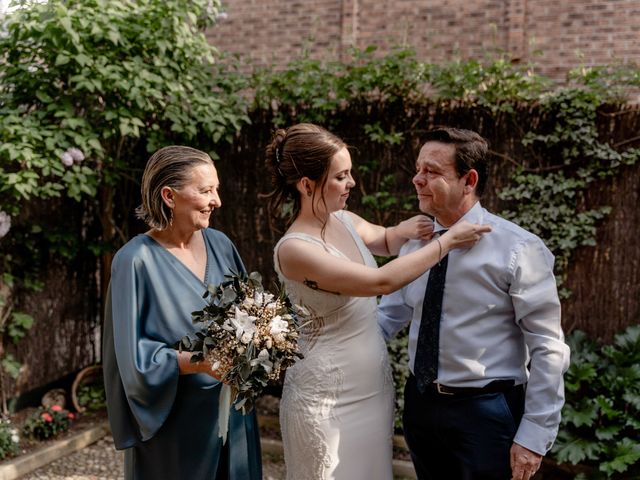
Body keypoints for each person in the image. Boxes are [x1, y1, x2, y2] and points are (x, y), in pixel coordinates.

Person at [266, 123, 491, 480]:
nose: (352, 183)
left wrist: (406, 230)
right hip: (326, 397)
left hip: (371, 389)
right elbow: (380, 282)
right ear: (307, 185)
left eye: (350, 173)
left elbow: (384, 241)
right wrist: (446, 243)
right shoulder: (295, 250)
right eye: (341, 176)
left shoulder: (344, 219)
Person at [377, 127, 571, 480]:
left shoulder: (518, 249)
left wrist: (534, 435)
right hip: (420, 407)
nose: (416, 179)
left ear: (469, 180)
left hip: (486, 414)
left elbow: (547, 346)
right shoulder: (415, 245)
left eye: (431, 171)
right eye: (418, 168)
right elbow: (386, 318)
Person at [102, 146, 262, 480]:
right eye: (205, 191)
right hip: (175, 427)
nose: (216, 200)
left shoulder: (221, 244)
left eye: (215, 189)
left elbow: (252, 313)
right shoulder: (134, 262)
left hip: (234, 415)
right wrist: (200, 363)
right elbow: (130, 361)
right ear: (169, 196)